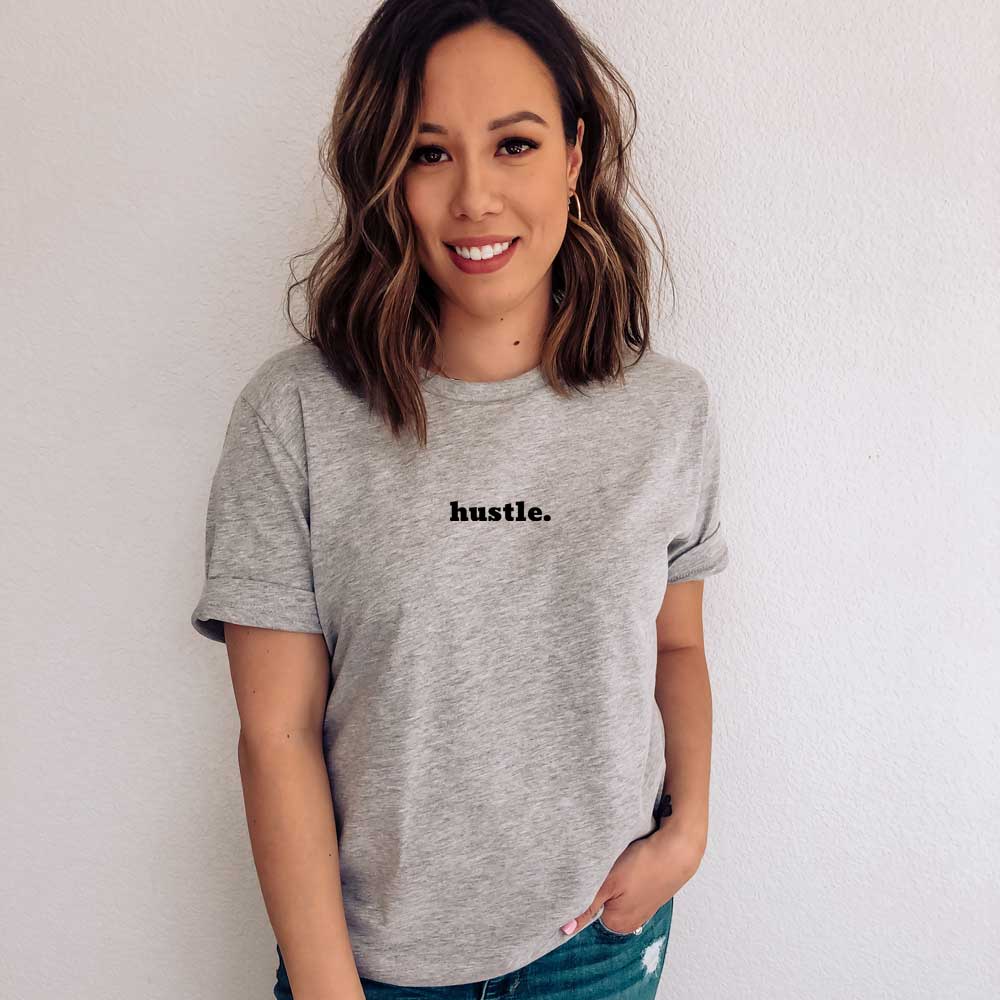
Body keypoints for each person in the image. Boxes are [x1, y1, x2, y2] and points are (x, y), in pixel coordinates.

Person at [190, 1, 731, 997]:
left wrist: (687, 829)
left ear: (574, 155)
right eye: (429, 154)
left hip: (597, 947)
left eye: (514, 144)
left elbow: (677, 648)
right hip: (367, 966)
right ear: (385, 176)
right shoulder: (296, 415)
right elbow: (276, 735)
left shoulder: (666, 411)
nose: (475, 196)